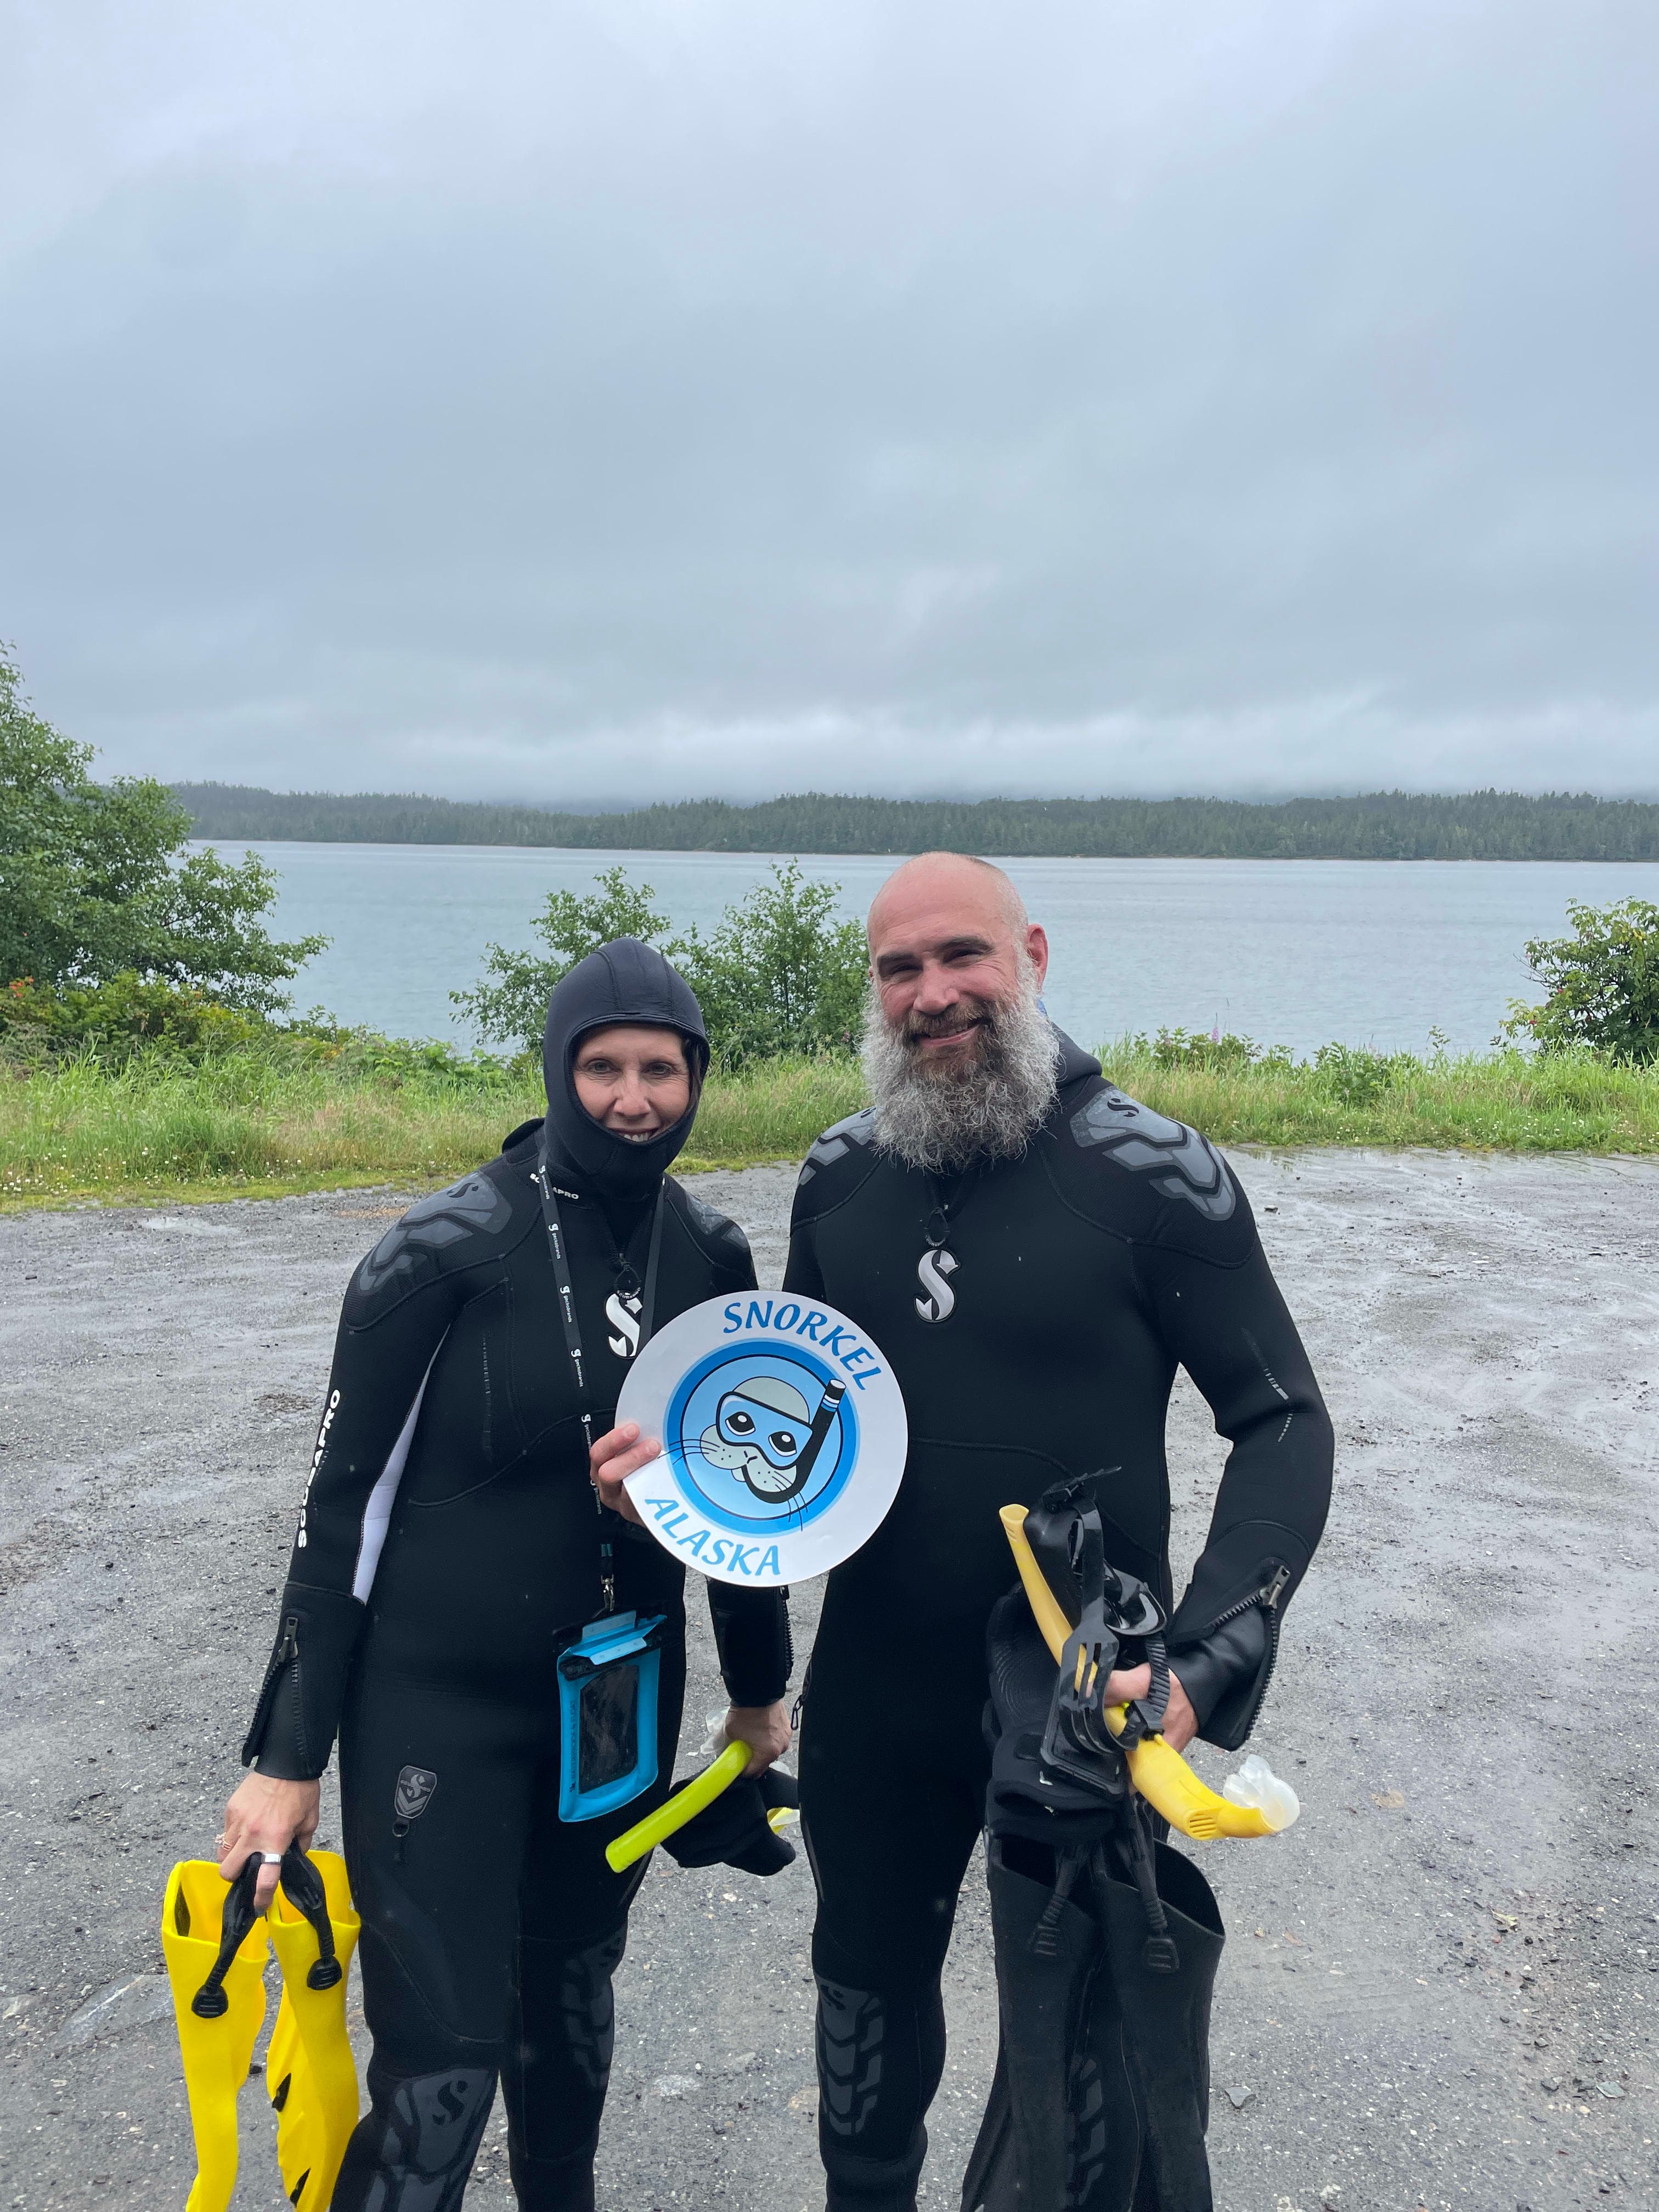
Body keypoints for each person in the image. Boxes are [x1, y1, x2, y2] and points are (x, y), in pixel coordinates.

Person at [775, 853, 1334, 2210]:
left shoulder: (1155, 1174)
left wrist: (1204, 1663)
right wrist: (666, 1474)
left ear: (1031, 955)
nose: (932, 993)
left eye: (960, 956)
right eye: (899, 968)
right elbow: (785, 1428)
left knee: (1085, 2052)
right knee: (863, 2008)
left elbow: (1283, 1422)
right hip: (878, 1683)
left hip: (1086, 1695)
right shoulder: (837, 1180)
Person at [219, 938, 792, 2211]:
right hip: (443, 1710)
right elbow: (342, 1513)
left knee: (571, 2028)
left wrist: (759, 1698)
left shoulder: (711, 1255)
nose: (635, 1099)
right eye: (603, 1068)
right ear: (557, 1066)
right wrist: (286, 1755)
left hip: (615, 1714)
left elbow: (749, 1525)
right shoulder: (443, 1252)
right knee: (445, 2064)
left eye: (663, 1069)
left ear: (698, 1079)